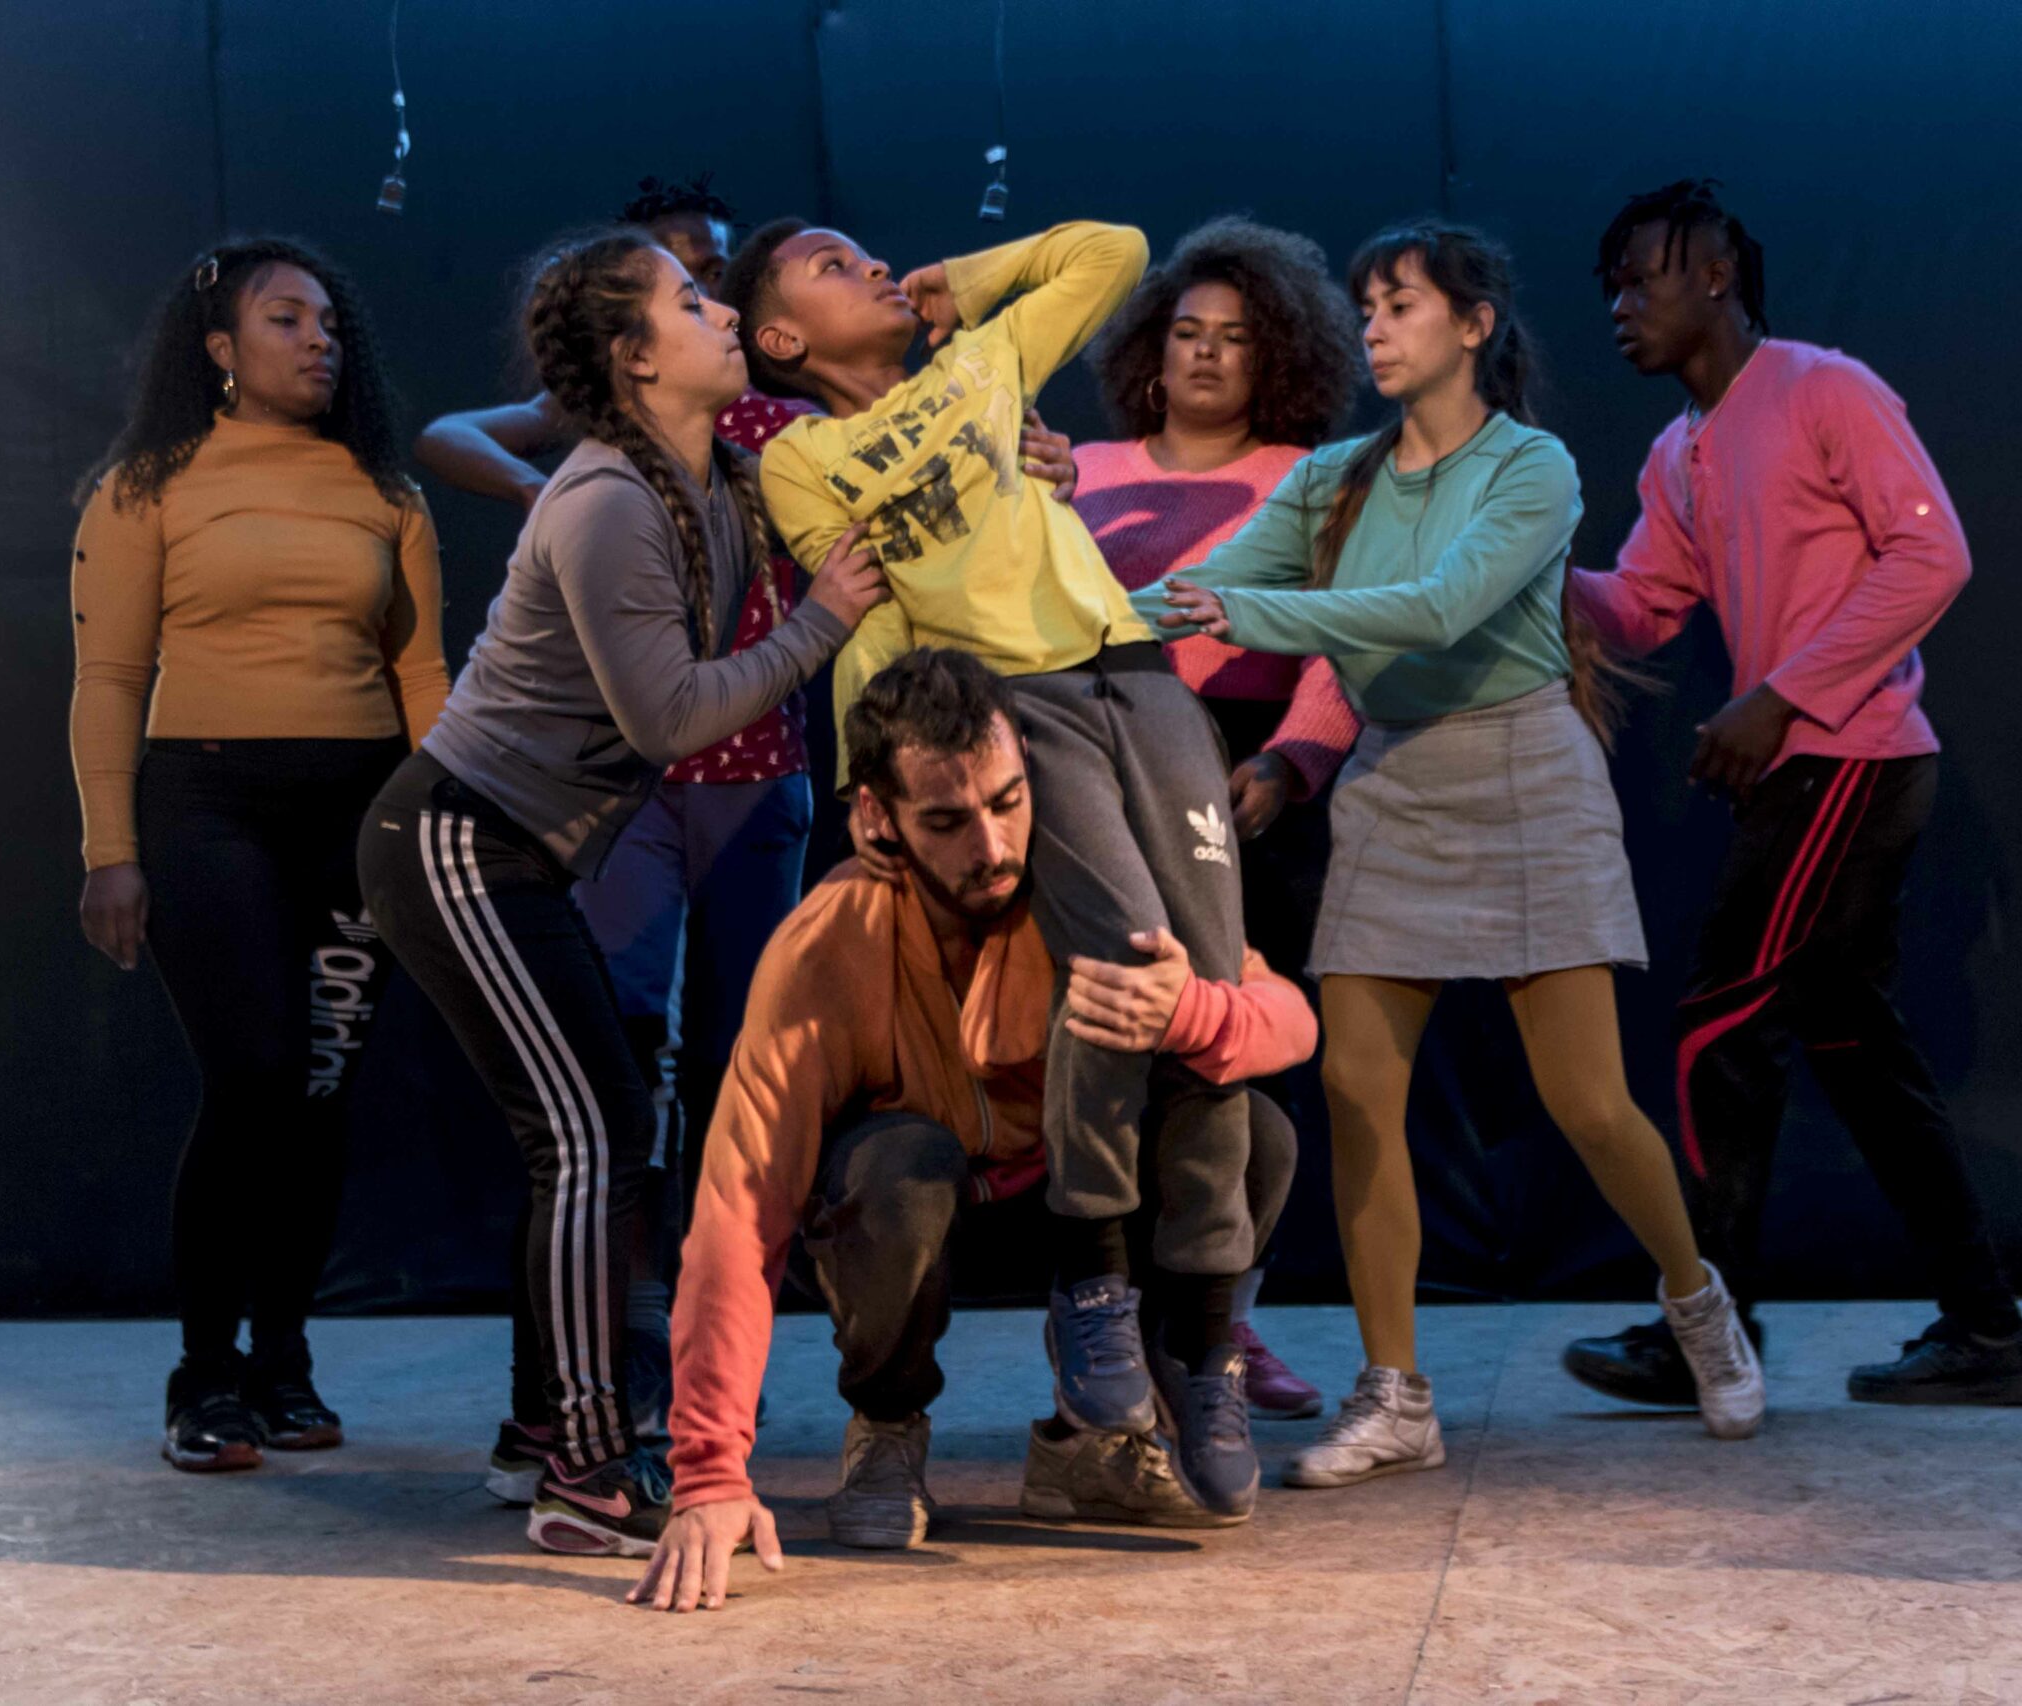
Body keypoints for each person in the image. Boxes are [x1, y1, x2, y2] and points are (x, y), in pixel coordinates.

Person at [415, 183, 1082, 1482]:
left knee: (752, 1070)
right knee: (618, 1077)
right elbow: (452, 434)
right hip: (641, 784)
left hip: (758, 769)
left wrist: (1034, 462)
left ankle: (711, 1359)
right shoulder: (670, 437)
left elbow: (958, 498)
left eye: (716, 275)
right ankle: (591, 1372)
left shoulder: (800, 433)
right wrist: (547, 486)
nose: (709, 296)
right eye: (686, 282)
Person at [1137, 222, 1766, 1488]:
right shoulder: (1334, 478)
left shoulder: (1530, 466)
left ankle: (1697, 1300)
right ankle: (1395, 1394)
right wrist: (1037, 610)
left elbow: (1437, 607)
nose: (1373, 326)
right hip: (1393, 781)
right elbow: (1191, 588)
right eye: (1366, 306)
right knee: (1358, 1089)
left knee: (1589, 1102)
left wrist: (1249, 611)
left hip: (1525, 772)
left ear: (1473, 325)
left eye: (1401, 304)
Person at [356, 225, 888, 1556]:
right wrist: (819, 624)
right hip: (456, 838)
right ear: (633, 356)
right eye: (691, 301)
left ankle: (549, 1433)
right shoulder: (603, 497)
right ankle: (588, 1464)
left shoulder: (717, 478)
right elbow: (668, 718)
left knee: (599, 1128)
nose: (723, 314)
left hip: (523, 854)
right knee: (593, 1131)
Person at [723, 216, 1265, 1515]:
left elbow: (1114, 252)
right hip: (1020, 701)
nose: (869, 265)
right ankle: (1094, 1284)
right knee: (1122, 964)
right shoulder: (801, 457)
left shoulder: (981, 362)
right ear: (779, 336)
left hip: (1134, 669)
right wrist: (875, 775)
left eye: (869, 253)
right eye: (830, 265)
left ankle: (1203, 1348)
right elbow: (873, 618)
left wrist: (962, 285)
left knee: (1210, 991)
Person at [630, 648, 1318, 1611]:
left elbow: (1289, 1018)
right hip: (914, 1230)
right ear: (879, 815)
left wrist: (1190, 1013)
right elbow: (738, 1215)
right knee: (901, 1166)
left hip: (1081, 1226)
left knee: (1257, 1135)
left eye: (1008, 803)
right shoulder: (830, 941)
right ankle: (886, 1429)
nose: (992, 847)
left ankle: (1095, 1446)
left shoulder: (1085, 889)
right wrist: (708, 1475)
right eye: (947, 822)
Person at [1561, 180, 2022, 1407]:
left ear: (1715, 275)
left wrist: (1778, 696)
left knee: (1722, 1022)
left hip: (1855, 757)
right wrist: (1525, 568)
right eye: (1611, 288)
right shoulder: (1677, 450)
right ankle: (1991, 1332)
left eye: (1640, 279)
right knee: (1852, 1042)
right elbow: (1643, 603)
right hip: (1806, 762)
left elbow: (1934, 553)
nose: (1619, 306)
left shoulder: (1824, 387)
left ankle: (1706, 1327)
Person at [68, 238, 448, 1472]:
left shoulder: (385, 488)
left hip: (357, 811)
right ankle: (204, 1369)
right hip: (207, 804)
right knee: (255, 1078)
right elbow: (109, 676)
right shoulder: (146, 485)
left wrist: (441, 823)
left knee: (321, 1093)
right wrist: (111, 850)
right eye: (286, 319)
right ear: (222, 349)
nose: (319, 338)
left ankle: (283, 1360)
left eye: (329, 320)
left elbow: (420, 673)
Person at [1073, 215, 1369, 1419]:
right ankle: (1113, 1319)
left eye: (1235, 337)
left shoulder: (1316, 477)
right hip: (1102, 770)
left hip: (1251, 777)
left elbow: (1343, 634)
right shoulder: (1076, 471)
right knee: (1117, 1048)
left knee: (1247, 1045)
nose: (1204, 352)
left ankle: (1224, 1316)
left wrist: (1295, 760)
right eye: (1187, 330)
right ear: (1150, 345)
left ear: (1276, 353)